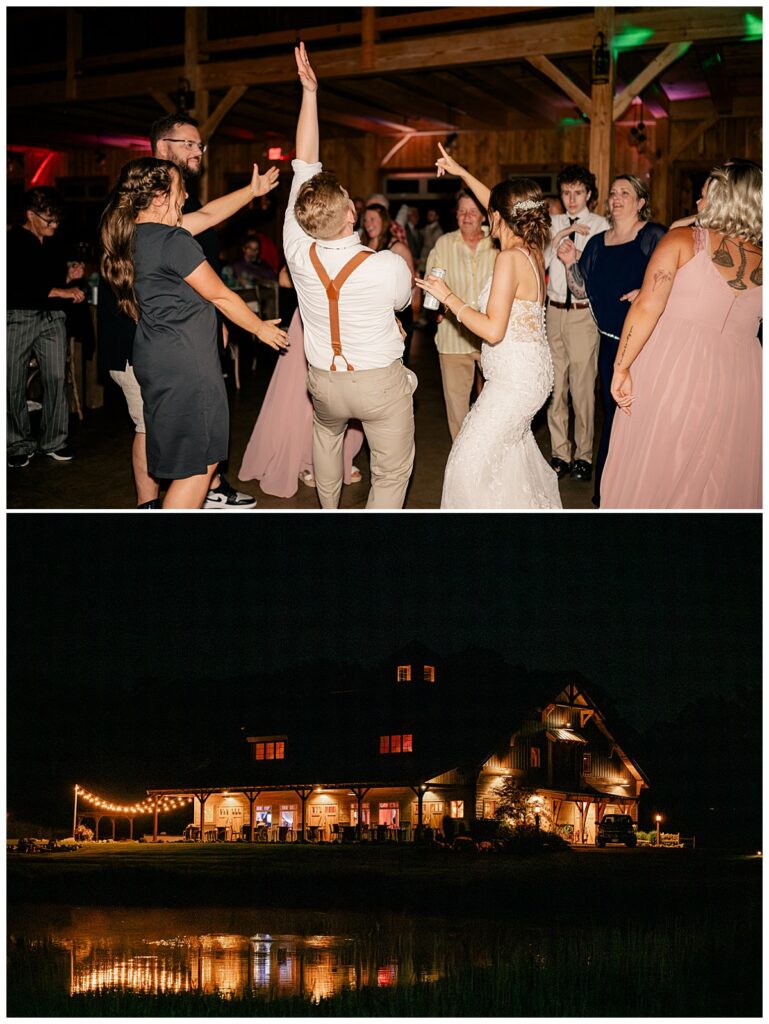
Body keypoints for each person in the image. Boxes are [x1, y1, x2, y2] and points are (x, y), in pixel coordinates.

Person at [100, 158, 287, 509]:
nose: (186, 195)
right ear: (158, 196)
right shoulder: (172, 240)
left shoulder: (133, 234)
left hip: (156, 359)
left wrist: (252, 190)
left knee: (185, 460)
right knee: (198, 467)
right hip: (188, 365)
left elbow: (211, 215)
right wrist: (260, 327)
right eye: (179, 188)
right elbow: (219, 294)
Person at [284, 43, 416, 509]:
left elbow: (304, 165)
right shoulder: (387, 265)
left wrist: (309, 95)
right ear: (351, 213)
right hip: (379, 383)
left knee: (326, 440)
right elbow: (402, 307)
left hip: (323, 381)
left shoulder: (296, 248)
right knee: (392, 471)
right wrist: (312, 91)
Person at [601, 160, 762, 509]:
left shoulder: (681, 241)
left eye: (705, 198)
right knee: (716, 476)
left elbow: (646, 306)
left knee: (657, 466)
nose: (698, 206)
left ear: (724, 200)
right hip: (743, 380)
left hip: (678, 369)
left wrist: (621, 366)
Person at [416, 145, 561, 509]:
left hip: (514, 383)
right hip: (532, 375)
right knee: (509, 461)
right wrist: (462, 172)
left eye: (489, 213)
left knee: (465, 466)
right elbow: (496, 202)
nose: (484, 217)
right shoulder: (532, 248)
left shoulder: (509, 258)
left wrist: (448, 296)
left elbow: (493, 331)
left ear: (496, 217)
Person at [557, 174, 666, 506]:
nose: (617, 198)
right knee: (611, 413)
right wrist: (568, 262)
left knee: (638, 417)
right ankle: (608, 493)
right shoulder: (598, 242)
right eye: (614, 193)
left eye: (626, 193)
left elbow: (674, 281)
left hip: (644, 344)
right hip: (608, 343)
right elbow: (581, 289)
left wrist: (648, 292)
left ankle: (642, 494)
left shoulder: (653, 236)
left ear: (641, 202)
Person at [238, 308, 364, 496]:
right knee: (303, 393)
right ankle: (306, 459)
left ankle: (341, 456)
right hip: (315, 310)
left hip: (352, 313)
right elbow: (283, 278)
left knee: (347, 388)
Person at [7, 186, 86, 468]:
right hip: (19, 316)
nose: (54, 225)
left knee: (55, 378)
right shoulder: (12, 241)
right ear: (30, 215)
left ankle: (53, 441)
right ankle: (17, 443)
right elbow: (20, 286)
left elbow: (50, 277)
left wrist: (68, 276)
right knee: (12, 381)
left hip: (53, 318)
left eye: (56, 220)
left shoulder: (55, 241)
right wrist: (61, 291)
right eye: (48, 220)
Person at [544, 164, 609, 483]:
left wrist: (578, 253)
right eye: (566, 192)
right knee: (556, 388)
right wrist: (561, 234)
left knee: (583, 388)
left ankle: (584, 455)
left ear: (589, 195)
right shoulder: (552, 222)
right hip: (553, 310)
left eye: (578, 193)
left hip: (583, 314)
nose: (571, 199)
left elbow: (600, 271)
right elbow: (540, 261)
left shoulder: (600, 225)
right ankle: (560, 452)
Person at [424, 191, 496, 440]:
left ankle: (488, 449)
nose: (466, 216)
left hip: (491, 337)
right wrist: (437, 310)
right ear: (455, 215)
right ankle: (461, 463)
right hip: (453, 338)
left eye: (472, 211)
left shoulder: (496, 242)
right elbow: (432, 285)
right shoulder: (444, 244)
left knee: (494, 404)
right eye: (462, 211)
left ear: (483, 217)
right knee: (457, 410)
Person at [361, 202, 416, 363]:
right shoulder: (362, 245)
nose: (368, 224)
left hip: (397, 314)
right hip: (371, 315)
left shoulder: (397, 247)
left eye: (372, 219)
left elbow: (411, 280)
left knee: (397, 362)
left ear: (384, 221)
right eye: (365, 220)